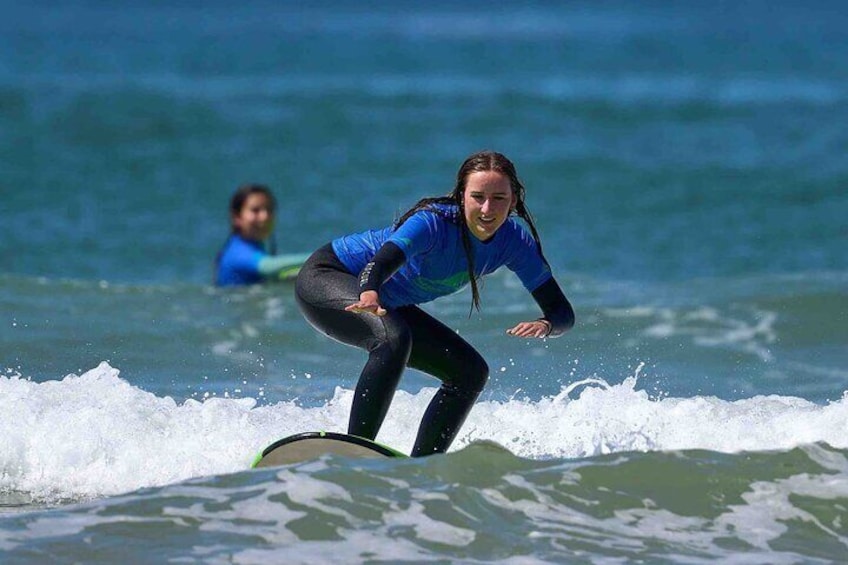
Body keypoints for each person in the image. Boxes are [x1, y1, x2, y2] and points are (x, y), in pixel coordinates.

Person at [295, 151, 575, 457]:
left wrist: (546, 324)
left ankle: (423, 466)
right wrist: (371, 292)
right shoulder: (432, 223)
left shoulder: (513, 242)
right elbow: (381, 262)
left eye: (499, 198)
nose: (487, 209)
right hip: (328, 276)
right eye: (477, 196)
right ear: (461, 196)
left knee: (469, 372)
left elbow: (562, 313)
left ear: (514, 200)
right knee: (394, 338)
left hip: (383, 300)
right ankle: (356, 450)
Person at [214, 184, 309, 287]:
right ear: (237, 217)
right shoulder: (237, 252)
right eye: (255, 210)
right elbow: (268, 266)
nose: (265, 217)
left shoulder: (256, 249)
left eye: (269, 210)